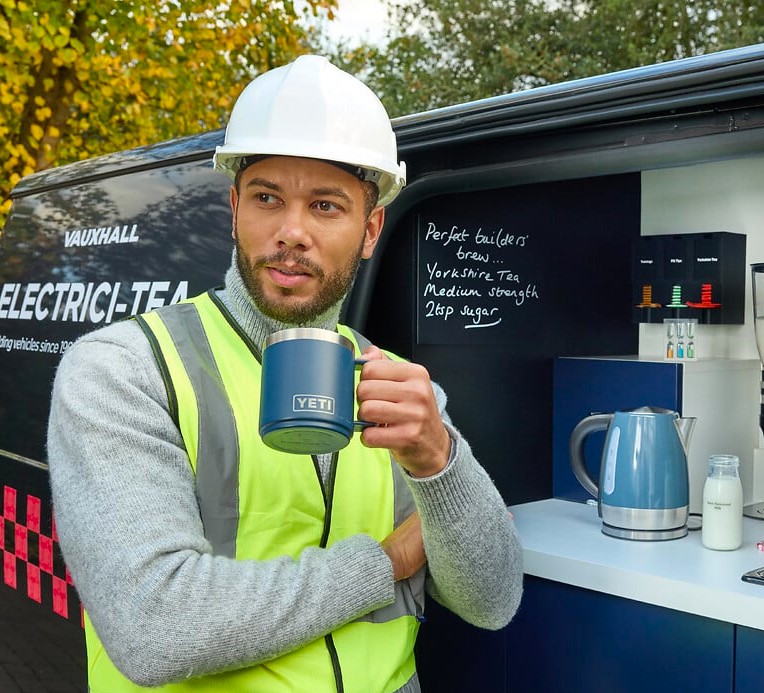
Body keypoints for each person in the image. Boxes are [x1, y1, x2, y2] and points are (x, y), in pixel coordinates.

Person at [47, 55, 523, 693]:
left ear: (370, 230)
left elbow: (493, 602)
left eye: (325, 206)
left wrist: (439, 460)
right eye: (268, 198)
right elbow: (154, 628)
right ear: (234, 209)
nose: (292, 232)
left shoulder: (401, 390)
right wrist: (387, 561)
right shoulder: (126, 368)